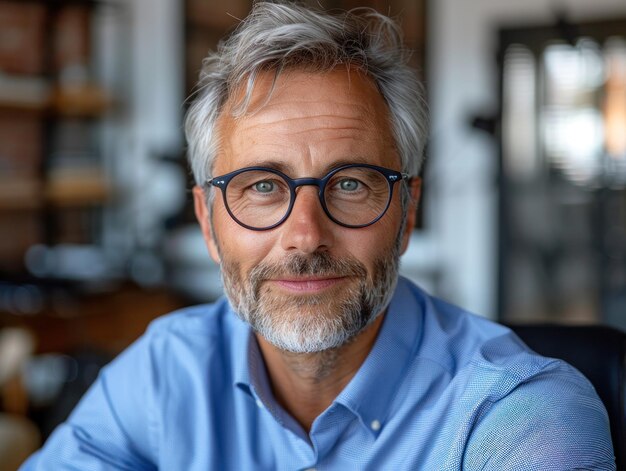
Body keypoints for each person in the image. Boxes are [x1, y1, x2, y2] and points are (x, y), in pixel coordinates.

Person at [21, 2, 614, 469]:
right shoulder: (166, 371)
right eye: (261, 187)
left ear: (407, 213)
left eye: (351, 184)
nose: (305, 235)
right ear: (207, 222)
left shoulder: (521, 414)